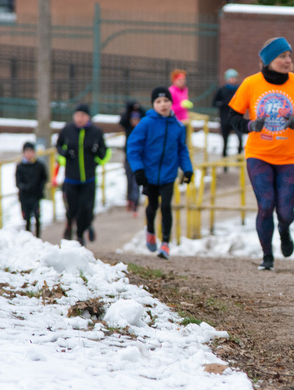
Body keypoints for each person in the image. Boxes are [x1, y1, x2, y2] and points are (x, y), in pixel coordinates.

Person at [228, 37, 294, 271]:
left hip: (289, 157)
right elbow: (232, 116)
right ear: (268, 61)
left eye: (289, 56)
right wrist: (249, 125)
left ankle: (284, 230)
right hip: (259, 155)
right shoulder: (250, 84)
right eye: (282, 56)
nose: (288, 60)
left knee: (285, 212)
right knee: (266, 205)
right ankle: (268, 256)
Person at [127, 86, 194, 260]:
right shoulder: (146, 123)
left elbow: (182, 149)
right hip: (149, 174)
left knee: (166, 206)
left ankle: (165, 244)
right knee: (153, 206)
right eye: (158, 101)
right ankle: (150, 230)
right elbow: (133, 147)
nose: (163, 104)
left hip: (168, 174)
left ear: (171, 103)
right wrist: (138, 170)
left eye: (166, 101)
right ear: (153, 105)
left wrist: (187, 169)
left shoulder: (178, 126)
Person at [56, 103, 111, 246]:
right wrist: (65, 155)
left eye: (83, 115)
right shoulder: (67, 130)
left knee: (86, 208)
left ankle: (81, 234)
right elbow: (58, 146)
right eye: (77, 115)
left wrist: (98, 159)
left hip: (89, 178)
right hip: (71, 178)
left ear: (88, 117)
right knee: (72, 208)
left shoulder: (96, 132)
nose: (80, 118)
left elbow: (105, 150)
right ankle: (69, 225)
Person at [15, 142, 48, 238]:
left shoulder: (39, 165)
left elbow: (44, 178)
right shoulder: (20, 166)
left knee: (37, 217)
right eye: (27, 151)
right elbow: (18, 182)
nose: (29, 154)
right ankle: (28, 237)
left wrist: (39, 187)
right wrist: (25, 187)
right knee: (27, 218)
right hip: (24, 196)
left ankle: (38, 237)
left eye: (31, 151)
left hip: (36, 195)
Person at [213, 68, 244, 167]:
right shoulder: (221, 90)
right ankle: (225, 162)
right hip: (225, 119)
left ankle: (238, 160)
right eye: (231, 78)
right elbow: (214, 103)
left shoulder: (239, 89)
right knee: (225, 142)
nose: (233, 79)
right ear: (227, 79)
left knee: (240, 139)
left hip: (237, 119)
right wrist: (222, 104)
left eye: (234, 78)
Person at [119, 100, 145, 214]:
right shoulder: (128, 126)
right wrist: (130, 108)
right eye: (133, 118)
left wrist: (139, 108)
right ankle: (130, 199)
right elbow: (122, 120)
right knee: (129, 179)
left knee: (136, 180)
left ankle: (135, 202)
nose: (135, 121)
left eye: (137, 119)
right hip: (129, 156)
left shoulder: (143, 127)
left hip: (140, 156)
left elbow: (145, 115)